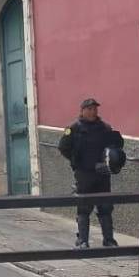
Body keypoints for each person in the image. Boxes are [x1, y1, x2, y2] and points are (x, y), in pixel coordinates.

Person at [58, 98, 122, 249]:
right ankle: (83, 241)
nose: (93, 112)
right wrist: (76, 161)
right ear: (82, 111)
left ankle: (109, 240)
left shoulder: (105, 127)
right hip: (84, 173)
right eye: (89, 109)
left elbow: (115, 146)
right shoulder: (73, 128)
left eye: (95, 109)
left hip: (102, 173)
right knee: (84, 207)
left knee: (105, 207)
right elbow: (63, 147)